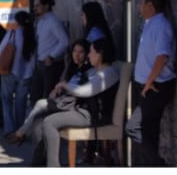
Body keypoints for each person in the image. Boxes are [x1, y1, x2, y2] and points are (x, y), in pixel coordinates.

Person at [19, 37, 122, 167]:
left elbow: (85, 91)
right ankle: (39, 164)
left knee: (49, 122)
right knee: (39, 122)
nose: (88, 55)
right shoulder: (96, 71)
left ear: (100, 54)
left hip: (92, 115)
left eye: (90, 52)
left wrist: (64, 85)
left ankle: (53, 166)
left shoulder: (108, 73)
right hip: (82, 110)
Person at [8, 38, 92, 143]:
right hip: (63, 100)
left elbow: (77, 90)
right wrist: (57, 89)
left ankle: (20, 134)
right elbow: (63, 84)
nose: (77, 55)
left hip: (73, 105)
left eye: (81, 52)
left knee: (40, 105)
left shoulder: (87, 71)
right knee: (39, 115)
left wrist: (61, 87)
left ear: (87, 54)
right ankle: (23, 135)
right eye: (75, 51)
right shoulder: (72, 67)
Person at [129, 0, 176, 166]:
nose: (140, 7)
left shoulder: (161, 26)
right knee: (148, 132)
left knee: (134, 127)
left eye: (142, 3)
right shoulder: (151, 24)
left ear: (150, 5)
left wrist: (149, 81)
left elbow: (162, 56)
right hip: (146, 86)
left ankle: (159, 166)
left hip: (156, 86)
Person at [2, 9, 37, 133]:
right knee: (20, 103)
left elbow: (2, 49)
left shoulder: (12, 33)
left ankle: (9, 129)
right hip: (27, 73)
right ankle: (20, 130)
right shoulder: (33, 34)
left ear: (17, 22)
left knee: (6, 101)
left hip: (10, 71)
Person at [33, 0, 71, 107]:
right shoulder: (41, 22)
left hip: (51, 65)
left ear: (47, 6)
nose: (35, 8)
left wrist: (52, 56)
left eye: (38, 5)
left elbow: (65, 41)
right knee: (36, 96)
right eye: (34, 5)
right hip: (40, 63)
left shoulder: (53, 21)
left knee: (48, 98)